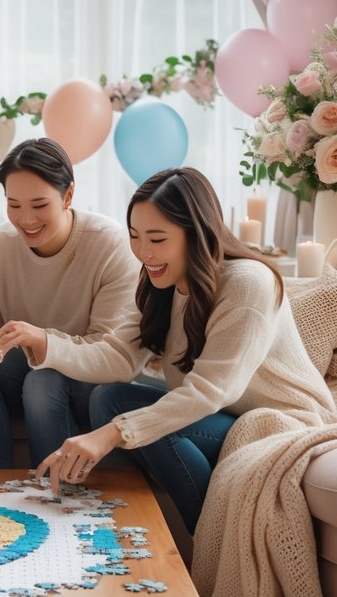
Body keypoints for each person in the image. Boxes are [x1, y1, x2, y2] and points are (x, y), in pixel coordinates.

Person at [32, 166, 337, 534]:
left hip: (279, 421)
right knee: (108, 399)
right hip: (223, 416)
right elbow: (118, 358)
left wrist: (110, 435)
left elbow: (209, 391)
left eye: (157, 239)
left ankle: (209, 538)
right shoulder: (161, 280)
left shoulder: (247, 284)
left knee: (137, 423)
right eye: (135, 236)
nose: (144, 252)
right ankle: (131, 528)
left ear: (196, 234)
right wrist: (44, 344)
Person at [0, 137, 138, 468]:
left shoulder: (109, 244)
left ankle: (55, 495)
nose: (26, 219)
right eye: (14, 205)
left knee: (43, 381)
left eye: (39, 205)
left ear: (68, 195)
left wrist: (45, 344)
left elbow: (117, 358)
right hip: (22, 374)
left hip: (91, 381)